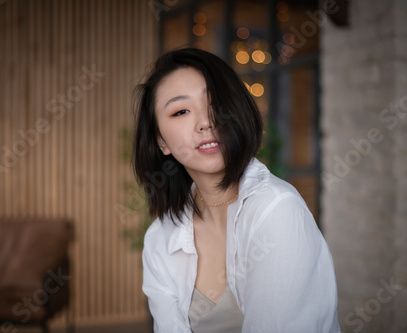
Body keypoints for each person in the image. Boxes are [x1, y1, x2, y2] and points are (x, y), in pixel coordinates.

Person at [132, 48, 340, 333]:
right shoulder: (161, 237)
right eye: (181, 111)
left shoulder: (277, 209)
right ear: (161, 141)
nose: (205, 122)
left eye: (215, 103)